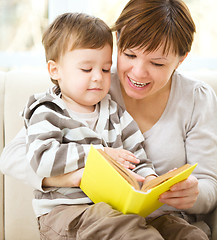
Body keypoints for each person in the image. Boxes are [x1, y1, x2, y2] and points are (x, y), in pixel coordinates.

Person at [0, 0, 216, 239]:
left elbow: (140, 158)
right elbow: (16, 156)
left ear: (181, 59)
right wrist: (84, 171)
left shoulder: (116, 108)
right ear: (118, 43)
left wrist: (160, 183)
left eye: (157, 63)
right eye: (129, 54)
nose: (138, 72)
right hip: (80, 213)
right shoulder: (87, 88)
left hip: (148, 216)